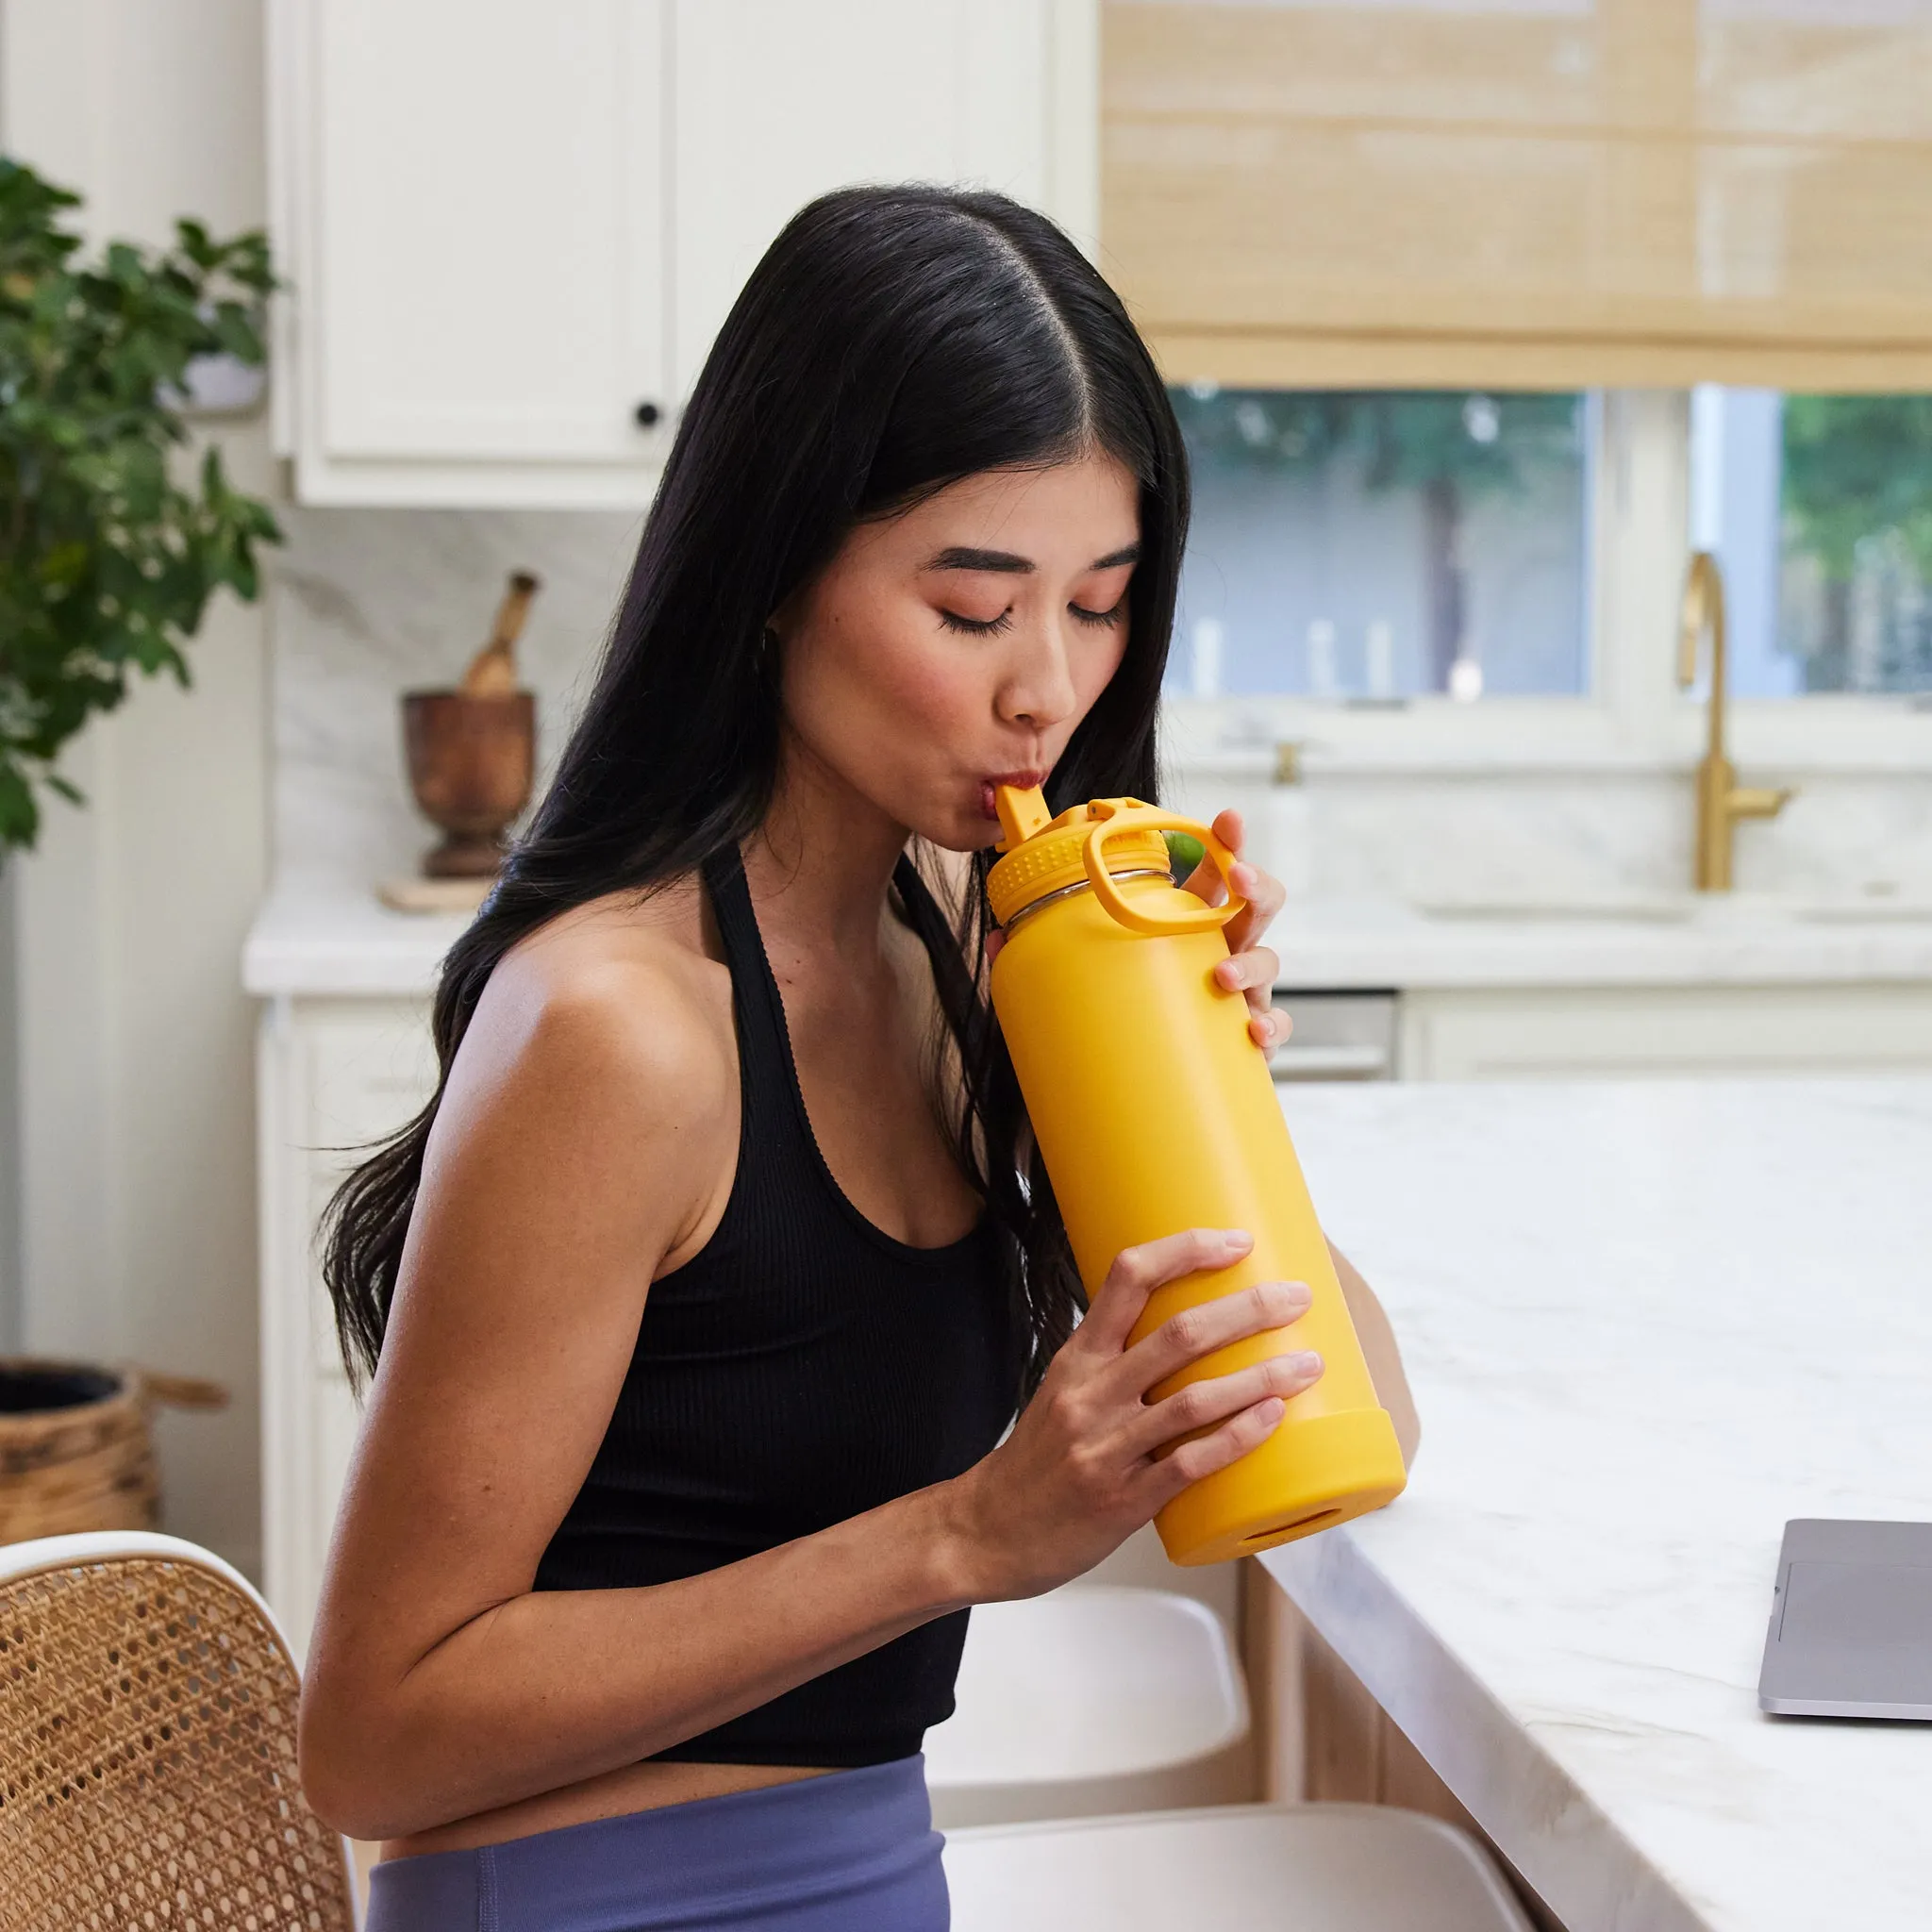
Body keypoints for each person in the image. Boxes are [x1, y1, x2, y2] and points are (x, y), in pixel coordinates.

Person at [301, 184, 1419, 1932]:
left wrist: (1190, 1083)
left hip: (875, 1878)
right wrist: (966, 1536)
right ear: (773, 581)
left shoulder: (946, 960)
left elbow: (1344, 1424)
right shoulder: (622, 1025)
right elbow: (370, 1742)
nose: (1046, 688)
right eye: (975, 613)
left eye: (1102, 605)